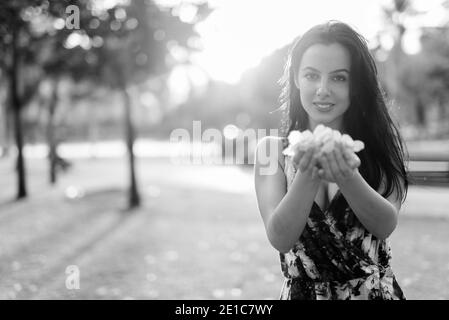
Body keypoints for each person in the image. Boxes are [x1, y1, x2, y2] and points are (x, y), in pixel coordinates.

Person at [254, 21, 409, 300]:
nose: (323, 89)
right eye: (311, 75)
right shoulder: (270, 152)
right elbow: (279, 238)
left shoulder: (379, 147)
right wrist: (307, 173)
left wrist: (348, 176)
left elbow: (385, 224)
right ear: (297, 79)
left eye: (338, 78)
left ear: (356, 85)